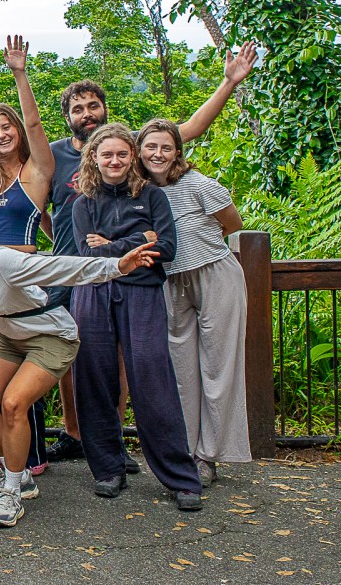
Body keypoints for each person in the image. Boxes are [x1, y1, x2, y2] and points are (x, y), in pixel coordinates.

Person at [43, 43, 257, 463]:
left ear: (106, 111)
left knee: (138, 364)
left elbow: (188, 128)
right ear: (68, 116)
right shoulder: (54, 153)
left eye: (94, 105)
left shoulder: (132, 145)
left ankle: (152, 450)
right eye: (78, 108)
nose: (87, 113)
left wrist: (229, 82)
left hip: (149, 274)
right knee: (87, 360)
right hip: (90, 271)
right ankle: (85, 438)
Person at [0, 203, 162, 527]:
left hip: (51, 334)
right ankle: (18, 474)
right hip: (8, 335)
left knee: (13, 403)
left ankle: (11, 493)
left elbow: (58, 268)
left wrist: (116, 266)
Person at [72, 124, 203, 511]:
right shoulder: (83, 204)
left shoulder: (152, 196)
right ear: (94, 158)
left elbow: (168, 248)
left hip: (142, 293)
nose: (114, 161)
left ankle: (181, 478)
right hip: (93, 293)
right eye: (106, 155)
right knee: (94, 380)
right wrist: (138, 243)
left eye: (122, 154)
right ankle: (108, 469)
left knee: (151, 376)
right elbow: (87, 256)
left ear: (133, 158)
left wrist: (115, 246)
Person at [137, 118, 250, 485]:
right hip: (170, 282)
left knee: (218, 367)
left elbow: (232, 223)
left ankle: (210, 455)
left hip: (214, 274)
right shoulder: (139, 191)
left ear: (177, 152)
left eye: (165, 147)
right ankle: (183, 451)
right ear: (140, 151)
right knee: (180, 372)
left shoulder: (200, 185)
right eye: (151, 147)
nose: (158, 154)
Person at [0, 36, 55, 475]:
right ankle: (11, 451)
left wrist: (20, 74)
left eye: (7, 127)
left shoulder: (36, 171)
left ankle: (35, 456)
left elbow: (37, 126)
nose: (1, 134)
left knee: (26, 369)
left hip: (23, 282)